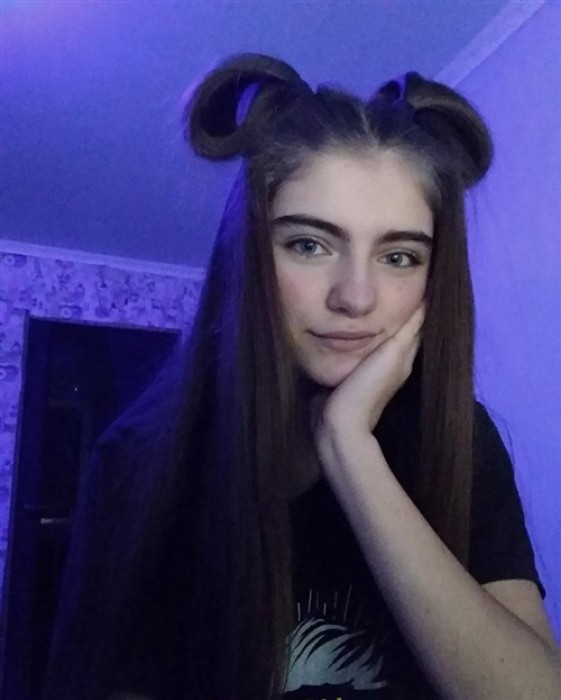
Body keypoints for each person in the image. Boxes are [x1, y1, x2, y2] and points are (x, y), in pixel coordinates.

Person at [41, 52, 559, 700]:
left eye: (399, 256)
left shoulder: (457, 437)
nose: (355, 296)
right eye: (309, 245)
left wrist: (349, 448)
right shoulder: (139, 464)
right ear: (249, 256)